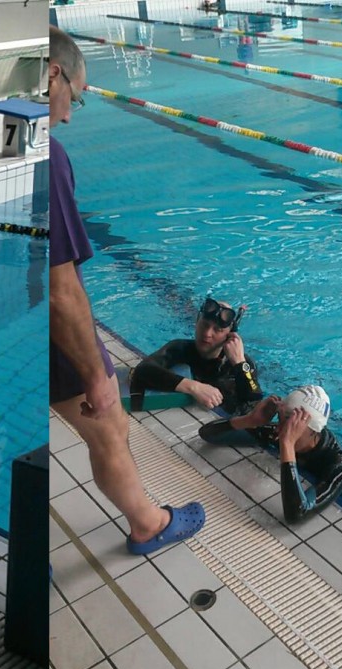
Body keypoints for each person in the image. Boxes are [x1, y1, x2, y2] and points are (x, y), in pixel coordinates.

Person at [49, 26, 205, 555]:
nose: (70, 113)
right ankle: (150, 525)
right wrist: (97, 374)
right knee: (109, 426)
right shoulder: (44, 158)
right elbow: (60, 286)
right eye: (77, 95)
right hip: (44, 332)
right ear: (53, 74)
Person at [199, 385, 342, 524]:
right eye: (280, 419)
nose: (281, 430)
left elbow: (297, 513)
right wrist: (250, 420)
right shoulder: (277, 433)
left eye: (292, 425)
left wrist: (287, 444)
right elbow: (208, 434)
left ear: (313, 431)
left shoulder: (339, 466)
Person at [130, 296, 263, 413]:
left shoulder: (241, 362)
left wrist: (240, 364)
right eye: (204, 325)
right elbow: (143, 369)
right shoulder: (181, 348)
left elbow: (254, 399)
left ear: (230, 335)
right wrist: (193, 387)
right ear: (197, 322)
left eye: (218, 330)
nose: (207, 334)